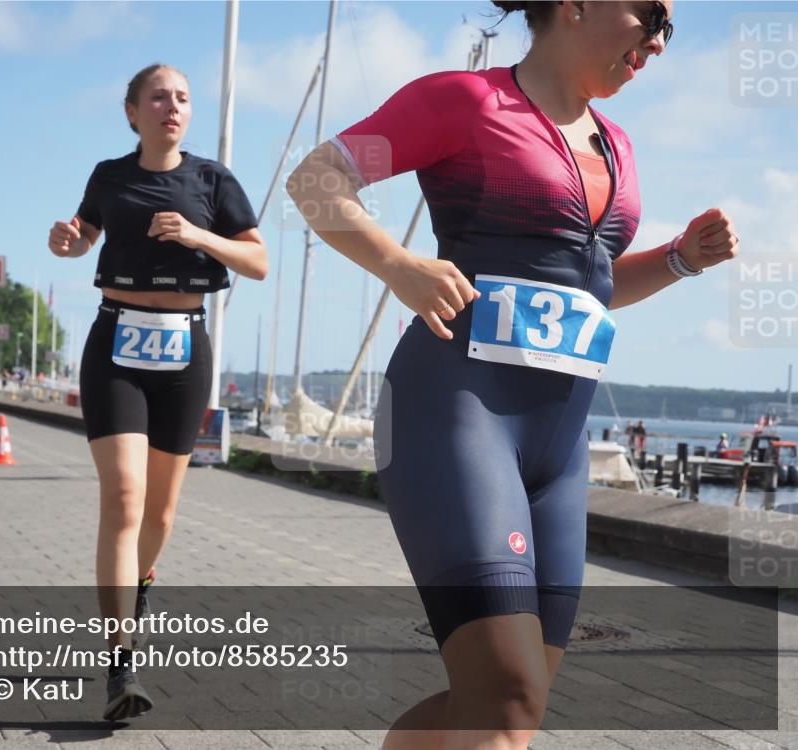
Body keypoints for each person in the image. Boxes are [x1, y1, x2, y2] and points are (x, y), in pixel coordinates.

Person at [286, 2, 740, 748]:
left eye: (673, 29)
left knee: (507, 711)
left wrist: (680, 260)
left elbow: (584, 289)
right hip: (454, 415)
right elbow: (316, 179)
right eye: (651, 14)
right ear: (578, 5)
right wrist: (397, 265)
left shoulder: (618, 144)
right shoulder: (464, 101)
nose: (659, 41)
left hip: (556, 454)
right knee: (506, 697)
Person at [48, 63, 267, 721]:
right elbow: (81, 237)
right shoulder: (110, 175)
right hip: (115, 344)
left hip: (184, 346)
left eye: (182, 98)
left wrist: (197, 234)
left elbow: (256, 260)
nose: (172, 106)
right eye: (159, 97)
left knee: (162, 515)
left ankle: (136, 589)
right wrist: (65, 242)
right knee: (123, 496)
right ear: (132, 112)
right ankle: (122, 662)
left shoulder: (212, 180)